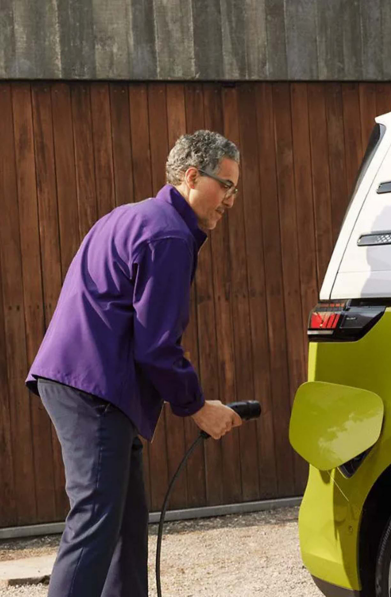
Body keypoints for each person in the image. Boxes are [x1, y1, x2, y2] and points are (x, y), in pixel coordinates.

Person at [27, 130, 243, 596]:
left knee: (124, 527)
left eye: (234, 189)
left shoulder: (129, 217)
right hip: (96, 388)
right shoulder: (168, 236)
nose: (230, 199)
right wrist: (197, 406)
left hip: (84, 382)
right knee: (96, 523)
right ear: (191, 177)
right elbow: (157, 346)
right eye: (224, 185)